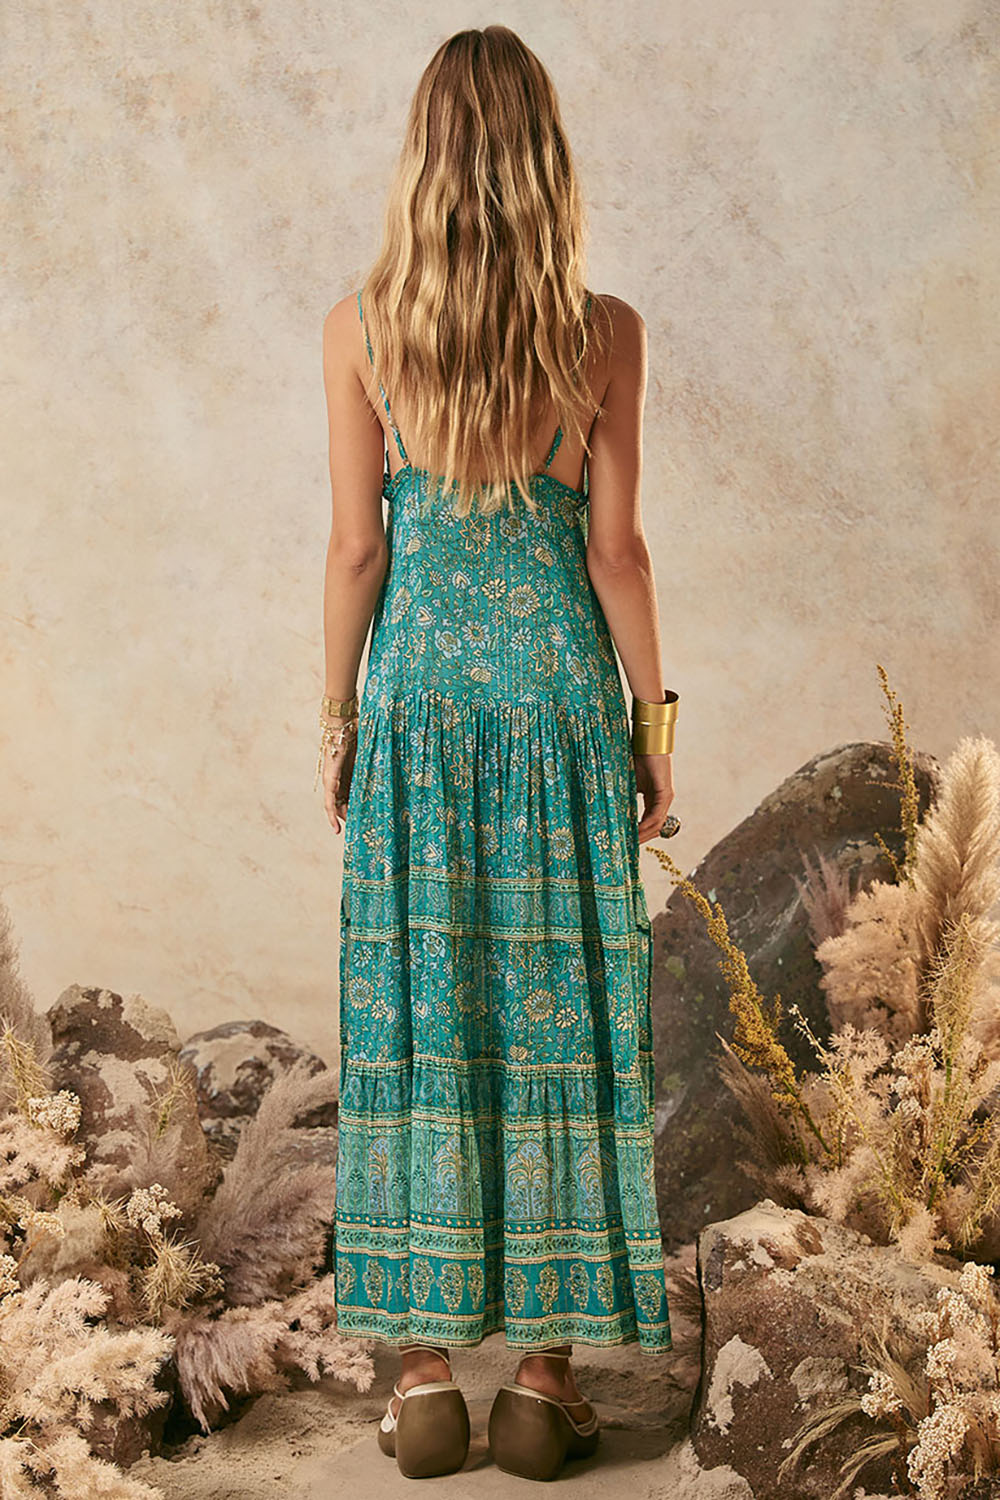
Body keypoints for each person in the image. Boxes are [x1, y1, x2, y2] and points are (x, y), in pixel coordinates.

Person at [316, 24, 679, 1483]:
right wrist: (655, 727)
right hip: (556, 712)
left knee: (417, 1011)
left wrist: (337, 721)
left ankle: (419, 1380)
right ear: (545, 161)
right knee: (560, 1017)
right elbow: (619, 552)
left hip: (416, 712)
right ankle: (544, 1377)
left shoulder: (359, 331)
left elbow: (357, 551)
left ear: (425, 158)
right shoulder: (603, 335)